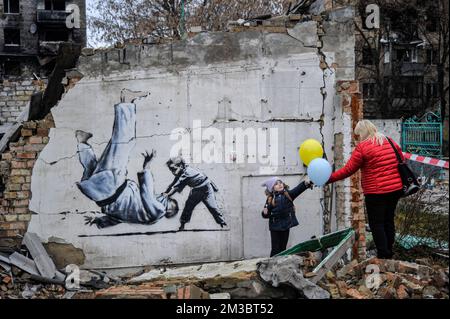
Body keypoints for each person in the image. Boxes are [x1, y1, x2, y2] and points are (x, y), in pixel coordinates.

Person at [76, 102, 179, 229]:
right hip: (96, 194)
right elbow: (117, 219)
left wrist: (146, 166)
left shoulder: (159, 211)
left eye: (169, 201)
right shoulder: (140, 216)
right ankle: (82, 142)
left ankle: (126, 103)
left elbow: (147, 194)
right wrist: (98, 221)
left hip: (113, 186)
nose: (164, 195)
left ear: (168, 211)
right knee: (94, 169)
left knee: (124, 142)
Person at [327, 120, 404, 259]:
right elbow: (401, 160)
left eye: (358, 135)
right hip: (395, 189)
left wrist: (329, 178)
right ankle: (389, 252)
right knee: (388, 221)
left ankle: (383, 255)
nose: (358, 138)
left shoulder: (363, 147)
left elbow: (348, 170)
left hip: (376, 192)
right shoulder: (389, 141)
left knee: (377, 224)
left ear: (362, 133)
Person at [164, 157, 227, 231]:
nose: (173, 172)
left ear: (181, 166)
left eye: (174, 169)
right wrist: (166, 191)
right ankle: (182, 225)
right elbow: (173, 184)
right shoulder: (182, 172)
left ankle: (222, 223)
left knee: (213, 207)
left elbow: (176, 187)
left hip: (206, 189)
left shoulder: (186, 173)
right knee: (188, 207)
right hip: (196, 190)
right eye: (171, 170)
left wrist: (168, 194)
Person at [261, 177, 313, 257]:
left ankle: (282, 265)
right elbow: (266, 214)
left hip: (286, 225)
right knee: (275, 249)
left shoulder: (287, 194)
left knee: (283, 248)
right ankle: (272, 265)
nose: (279, 184)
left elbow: (297, 190)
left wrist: (306, 184)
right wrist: (265, 211)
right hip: (275, 227)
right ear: (272, 188)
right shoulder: (270, 199)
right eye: (276, 184)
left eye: (280, 182)